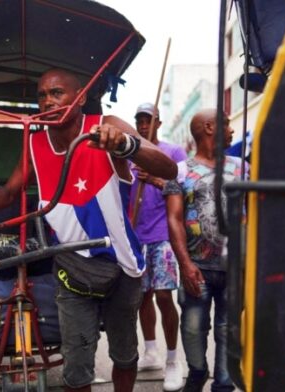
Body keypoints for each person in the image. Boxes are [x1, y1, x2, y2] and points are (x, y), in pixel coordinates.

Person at [0, 68, 178, 392]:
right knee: (76, 368)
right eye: (42, 95)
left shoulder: (107, 126)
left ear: (80, 97)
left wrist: (125, 145)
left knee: (124, 357)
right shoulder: (34, 144)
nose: (48, 101)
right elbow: (8, 195)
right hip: (71, 267)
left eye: (57, 93)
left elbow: (168, 169)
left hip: (122, 265)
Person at [163, 108, 243, 392]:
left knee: (227, 329)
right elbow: (174, 219)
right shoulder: (180, 171)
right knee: (193, 327)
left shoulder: (242, 168)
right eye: (226, 124)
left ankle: (223, 383)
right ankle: (197, 371)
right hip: (197, 267)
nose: (231, 130)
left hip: (235, 268)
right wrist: (185, 265)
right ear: (209, 128)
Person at [130, 103, 187, 391]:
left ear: (159, 123)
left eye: (148, 121)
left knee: (165, 296)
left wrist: (153, 178)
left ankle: (173, 360)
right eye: (139, 121)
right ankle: (150, 351)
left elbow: (184, 188)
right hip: (135, 235)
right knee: (142, 296)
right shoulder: (128, 153)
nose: (142, 126)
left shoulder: (173, 152)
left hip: (163, 234)